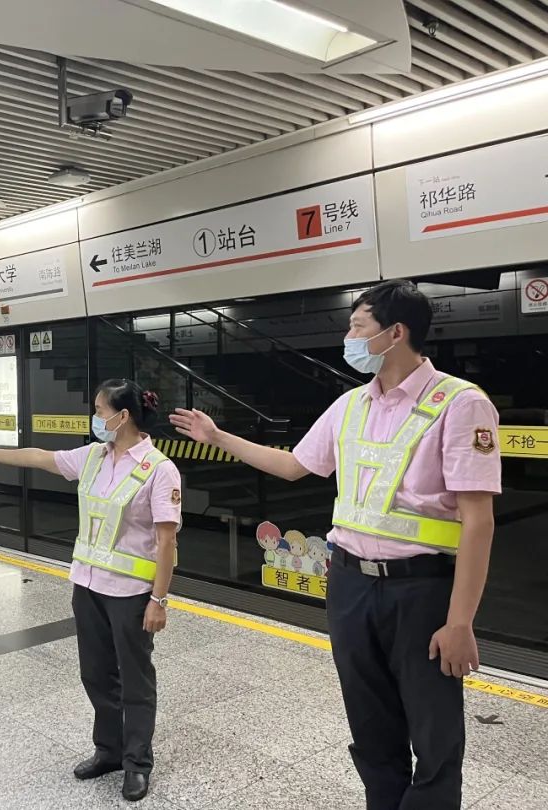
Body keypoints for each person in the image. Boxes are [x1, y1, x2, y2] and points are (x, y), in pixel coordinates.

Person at [170, 280, 500, 810]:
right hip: (349, 585)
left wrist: (460, 622)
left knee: (434, 732)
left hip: (420, 591)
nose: (349, 337)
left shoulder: (460, 404)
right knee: (370, 726)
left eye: (357, 326)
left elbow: (479, 520)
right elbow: (293, 465)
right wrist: (218, 437)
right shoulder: (349, 405)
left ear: (395, 333)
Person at [0, 379, 181, 802]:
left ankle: (137, 763)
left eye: (100, 410)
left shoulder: (159, 469)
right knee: (96, 674)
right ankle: (109, 751)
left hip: (131, 594)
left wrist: (158, 600)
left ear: (123, 416)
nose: (95, 418)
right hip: (87, 587)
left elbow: (166, 541)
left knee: (135, 680)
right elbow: (42, 457)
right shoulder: (94, 457)